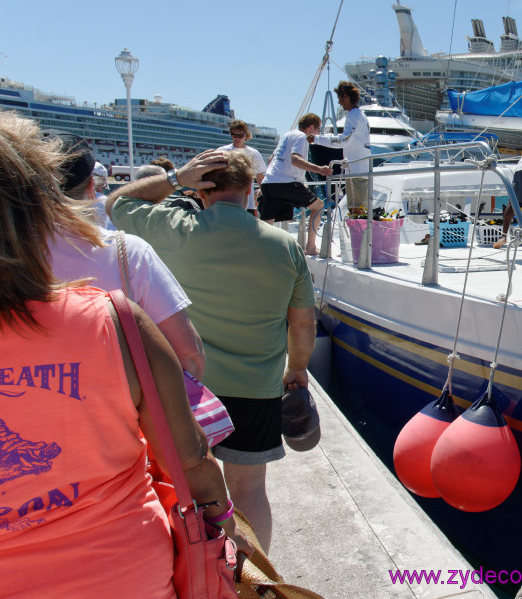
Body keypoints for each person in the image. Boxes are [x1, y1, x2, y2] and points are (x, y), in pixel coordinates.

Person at [0, 111, 250, 596]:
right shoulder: (114, 320)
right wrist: (225, 524)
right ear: (40, 209)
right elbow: (191, 456)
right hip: (124, 571)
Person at [107, 149, 318, 553]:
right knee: (250, 488)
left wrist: (175, 180)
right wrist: (298, 368)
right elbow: (303, 322)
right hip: (256, 388)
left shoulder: (174, 227)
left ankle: (201, 572)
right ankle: (251, 578)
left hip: (186, 389)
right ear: (251, 189)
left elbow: (117, 203)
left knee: (187, 485)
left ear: (201, 190)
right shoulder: (283, 245)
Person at [53, 141, 206, 378]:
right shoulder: (127, 251)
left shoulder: (12, 254)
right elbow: (190, 355)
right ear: (93, 186)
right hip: (115, 403)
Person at [259, 113, 342, 254]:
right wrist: (319, 169)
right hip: (285, 182)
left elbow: (271, 159)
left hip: (269, 182)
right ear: (311, 127)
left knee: (268, 220)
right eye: (317, 130)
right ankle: (310, 247)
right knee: (319, 206)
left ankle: (261, 251)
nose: (317, 134)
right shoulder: (302, 137)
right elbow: (295, 160)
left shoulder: (286, 135)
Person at [334, 80, 370, 213]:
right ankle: (361, 234)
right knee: (360, 208)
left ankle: (358, 234)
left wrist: (317, 139)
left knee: (355, 208)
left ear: (346, 97)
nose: (339, 103)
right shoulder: (361, 114)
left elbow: (345, 139)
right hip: (361, 168)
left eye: (340, 99)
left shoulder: (353, 115)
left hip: (355, 170)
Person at [218, 119, 267, 216]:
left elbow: (260, 177)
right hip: (225, 201)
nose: (237, 138)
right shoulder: (222, 151)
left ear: (246, 135)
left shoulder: (253, 153)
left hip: (248, 204)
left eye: (240, 136)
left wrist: (264, 194)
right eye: (234, 135)